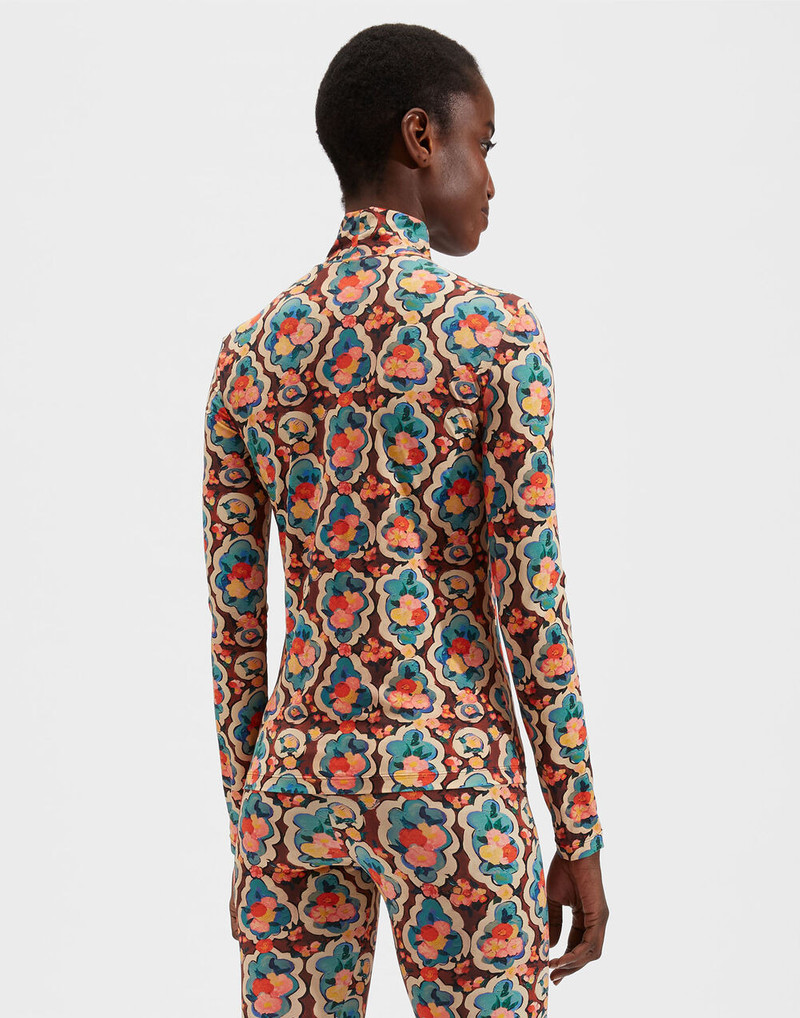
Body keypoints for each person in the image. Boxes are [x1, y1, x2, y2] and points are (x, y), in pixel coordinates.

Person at [201, 22, 609, 1018]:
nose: (490, 179)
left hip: (294, 789)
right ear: (421, 137)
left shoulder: (248, 356)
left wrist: (253, 823)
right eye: (484, 144)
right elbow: (531, 604)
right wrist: (579, 833)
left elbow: (235, 627)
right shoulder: (496, 335)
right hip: (452, 787)